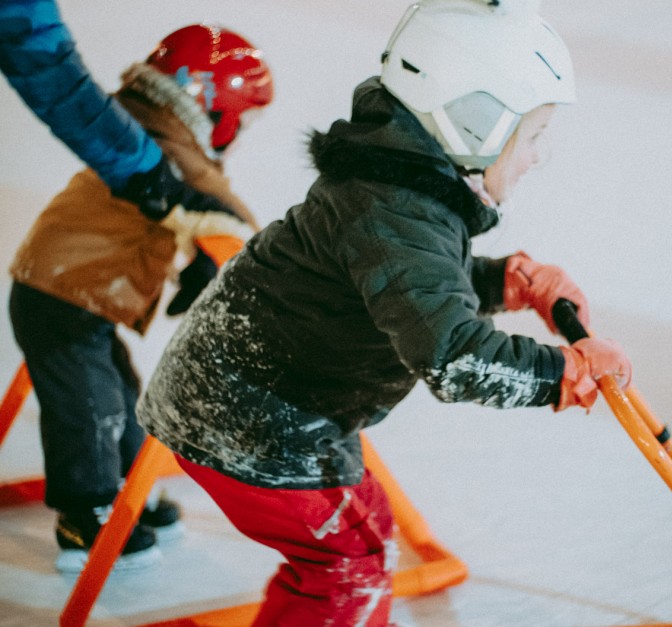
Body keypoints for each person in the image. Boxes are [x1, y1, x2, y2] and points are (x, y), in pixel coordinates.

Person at [137, 0, 631, 623]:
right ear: (475, 122)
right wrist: (569, 370)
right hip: (254, 424)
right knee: (350, 563)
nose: (538, 156)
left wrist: (505, 281)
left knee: (363, 529)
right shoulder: (399, 211)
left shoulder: (399, 184)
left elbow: (402, 287)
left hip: (250, 395)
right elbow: (453, 358)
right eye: (532, 136)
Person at [7, 23, 274, 573]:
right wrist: (246, 256)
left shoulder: (142, 119)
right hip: (61, 292)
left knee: (121, 391)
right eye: (242, 120)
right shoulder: (170, 142)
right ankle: (86, 515)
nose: (239, 135)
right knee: (89, 406)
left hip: (75, 292)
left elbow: (168, 216)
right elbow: (222, 209)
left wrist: (199, 264)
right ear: (213, 105)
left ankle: (129, 493)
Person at [0, 0, 238, 221]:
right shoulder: (200, 179)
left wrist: (154, 176)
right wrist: (155, 178)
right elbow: (41, 54)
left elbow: (35, 45)